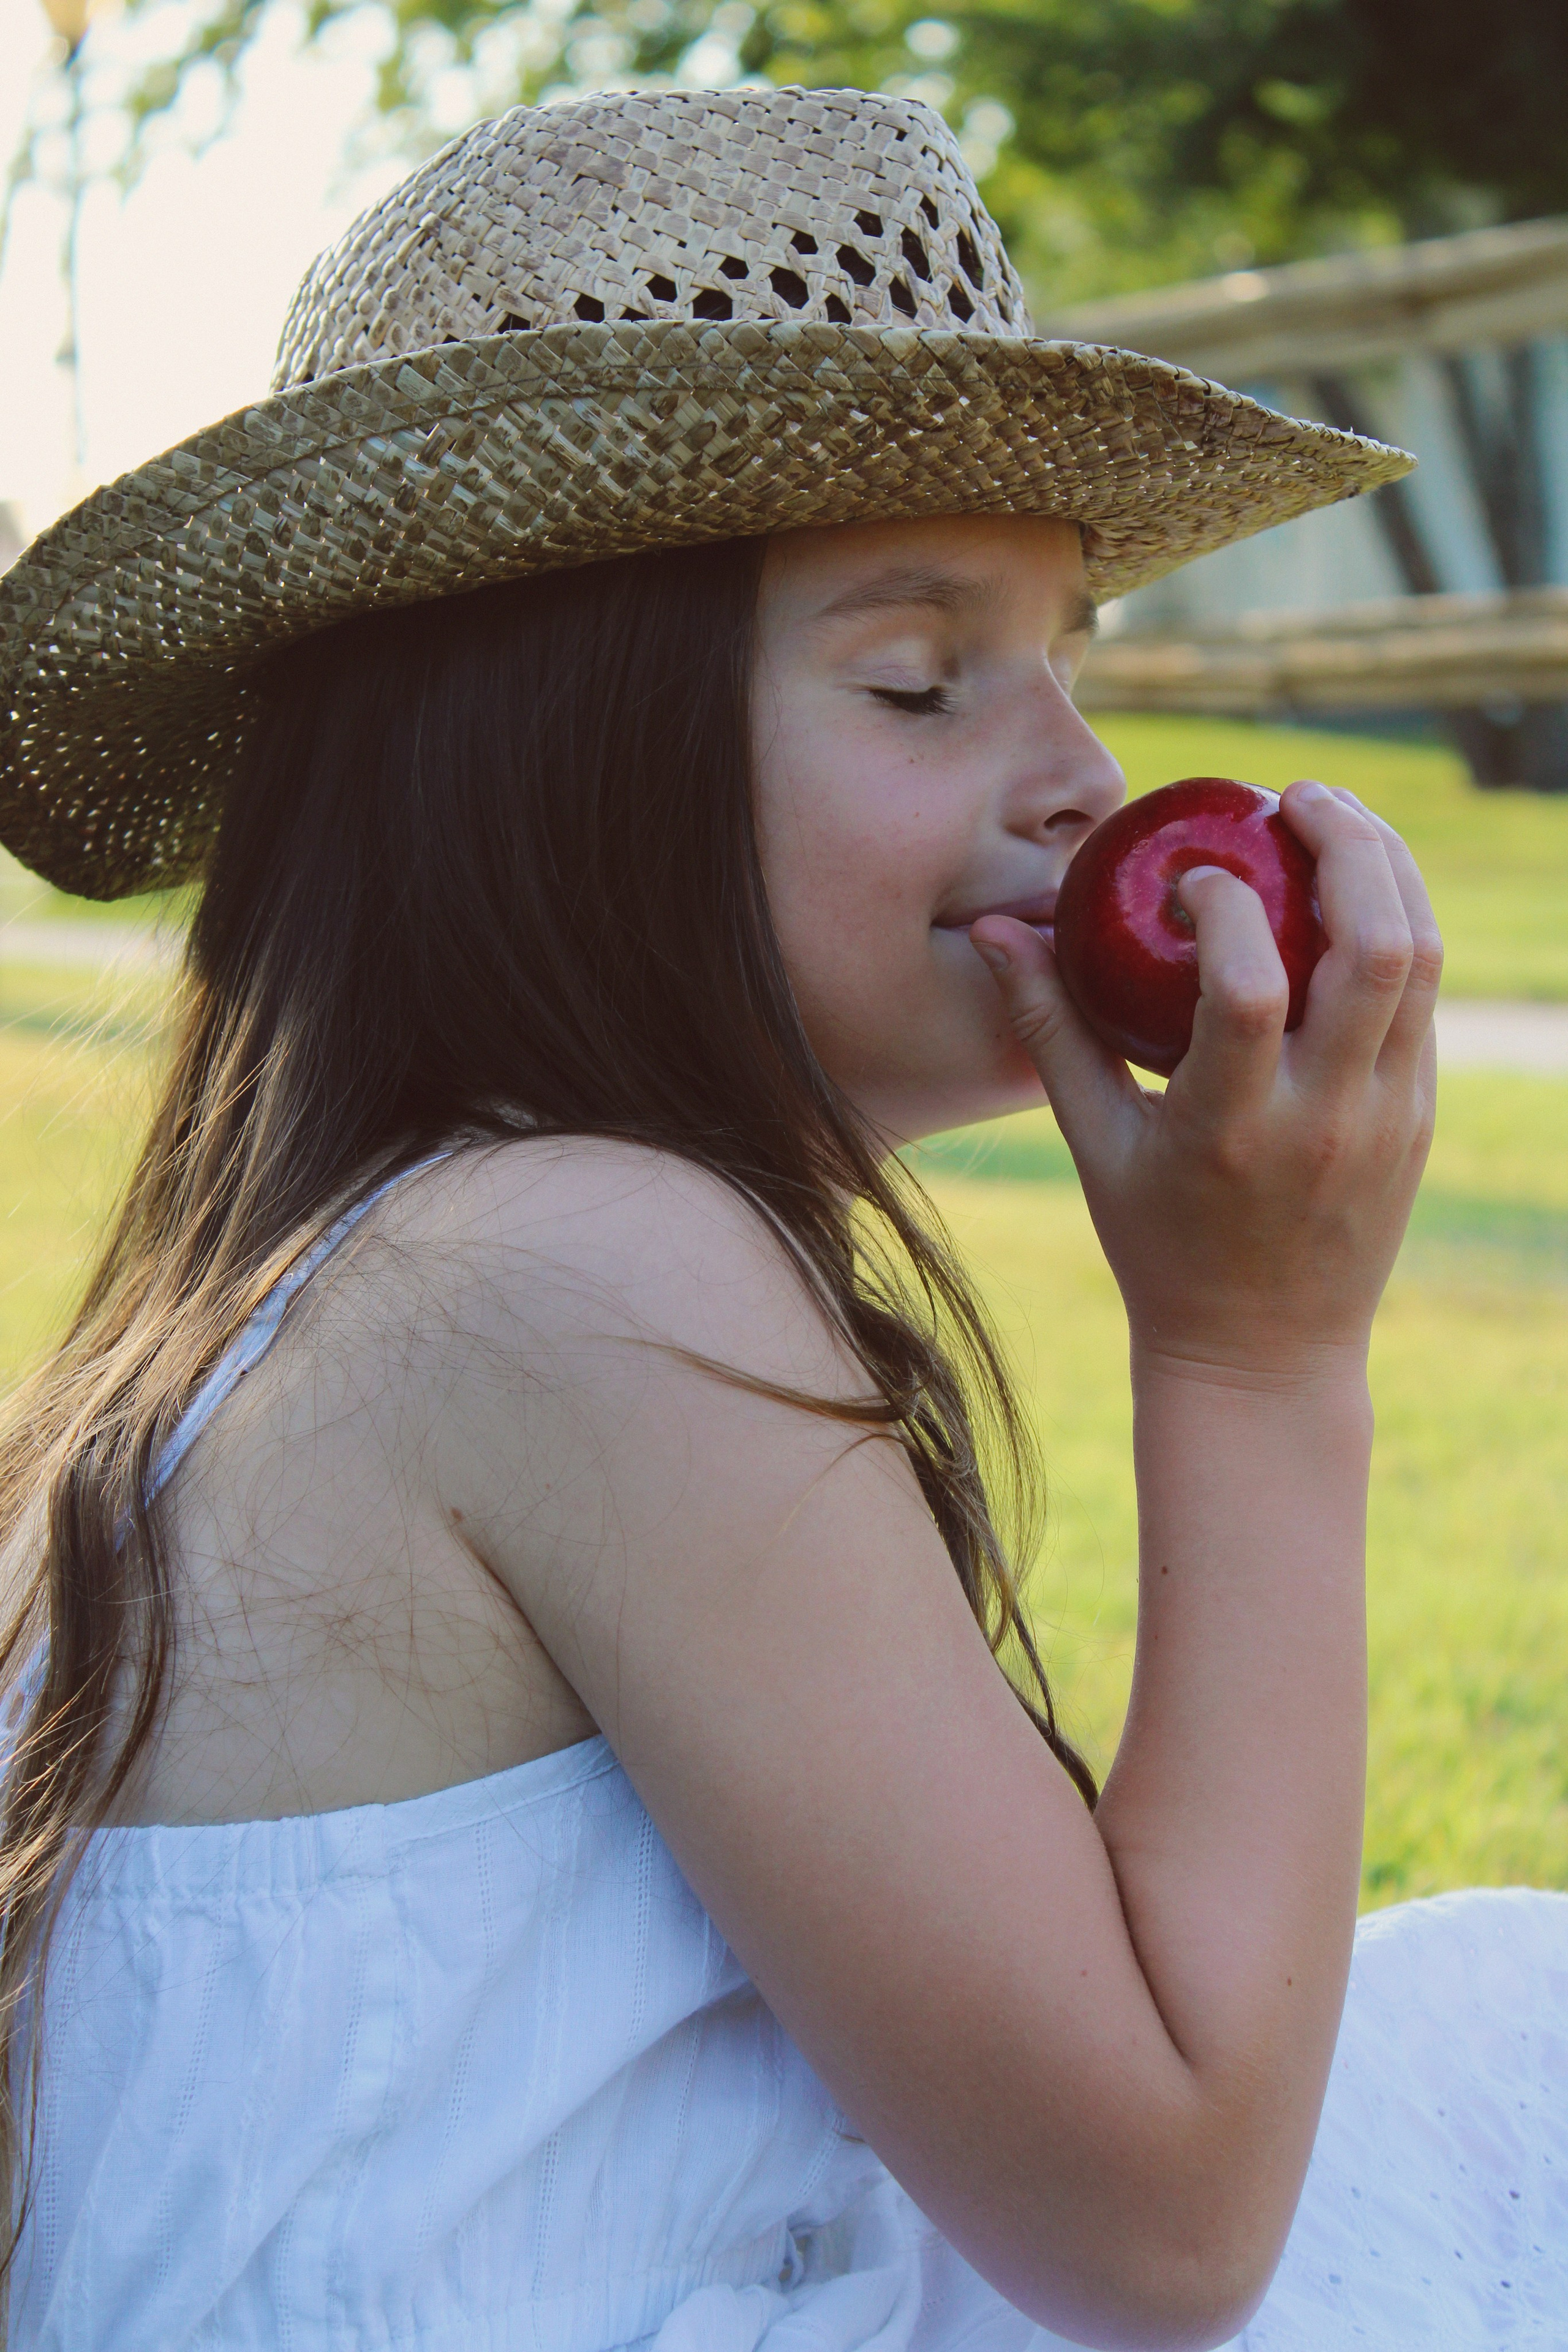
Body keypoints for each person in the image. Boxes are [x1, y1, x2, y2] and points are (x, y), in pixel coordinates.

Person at [0, 83, 1562, 2352]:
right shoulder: (583, 1275)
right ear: (553, 765)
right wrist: (1260, 1356)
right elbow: (1165, 2222)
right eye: (925, 680)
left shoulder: (364, 1282)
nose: (1081, 780)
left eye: (1071, 659)